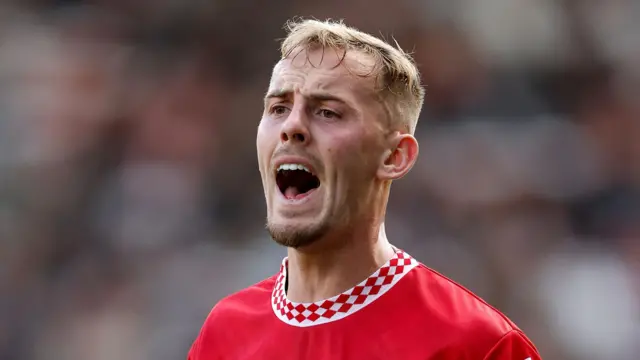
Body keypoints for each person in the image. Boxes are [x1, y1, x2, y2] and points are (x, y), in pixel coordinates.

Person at [188, 18, 542, 360]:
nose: (291, 126)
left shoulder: (477, 344)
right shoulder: (223, 332)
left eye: (327, 112)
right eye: (278, 108)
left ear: (394, 156)